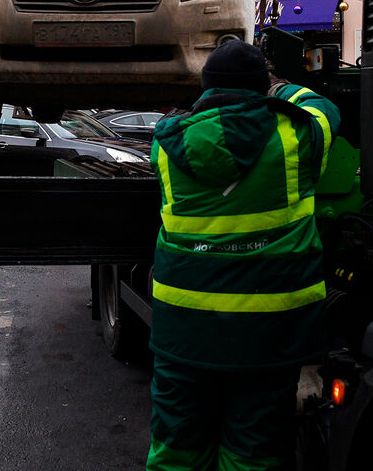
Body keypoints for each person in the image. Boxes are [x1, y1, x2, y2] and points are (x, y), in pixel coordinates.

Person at [146, 39, 340, 471]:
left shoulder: (166, 146)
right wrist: (280, 90)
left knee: (177, 451)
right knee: (253, 454)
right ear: (261, 86)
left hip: (185, 331)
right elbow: (326, 108)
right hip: (270, 336)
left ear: (205, 89)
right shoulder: (296, 135)